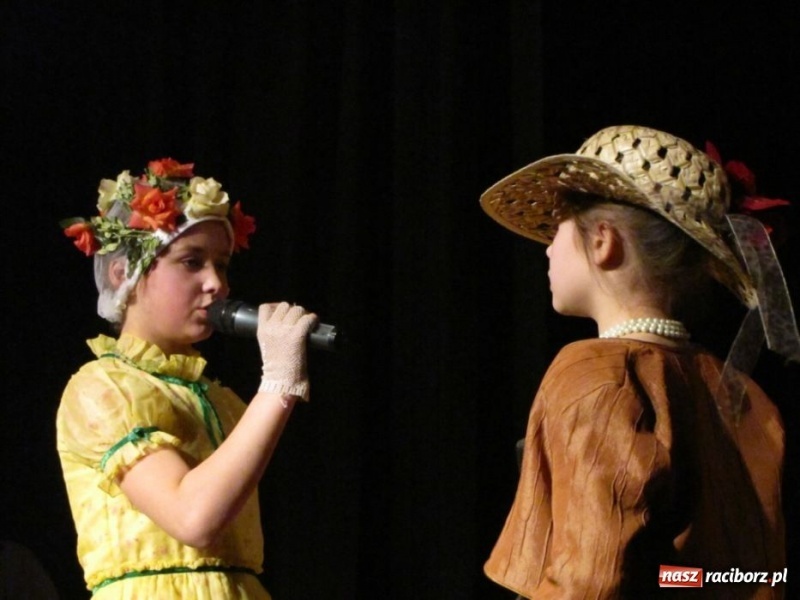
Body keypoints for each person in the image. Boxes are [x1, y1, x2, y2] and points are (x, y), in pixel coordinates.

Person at [479, 125, 798, 599]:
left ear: (604, 240)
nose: (547, 247)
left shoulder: (595, 377)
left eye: (559, 224)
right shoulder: (746, 396)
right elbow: (750, 575)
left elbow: (592, 577)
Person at [57, 158, 317, 598]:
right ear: (124, 274)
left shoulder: (224, 401)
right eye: (191, 261)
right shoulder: (103, 388)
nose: (216, 283)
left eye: (223, 264)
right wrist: (278, 383)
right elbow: (193, 517)